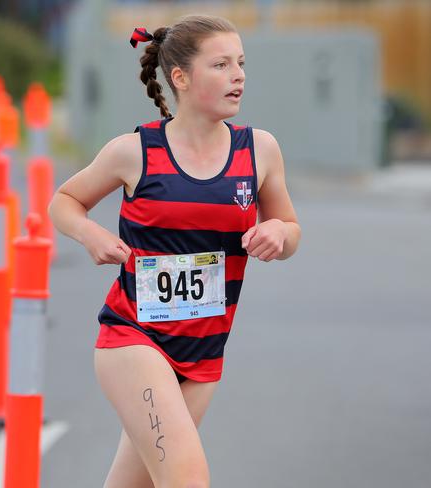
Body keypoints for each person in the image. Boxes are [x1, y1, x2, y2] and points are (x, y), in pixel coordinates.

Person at [48, 14, 301, 488]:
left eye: (241, 63)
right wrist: (92, 235)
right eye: (221, 64)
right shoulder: (135, 151)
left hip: (205, 353)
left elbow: (289, 227)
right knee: (187, 479)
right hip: (134, 339)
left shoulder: (260, 151)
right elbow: (64, 202)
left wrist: (280, 236)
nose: (239, 75)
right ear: (181, 78)